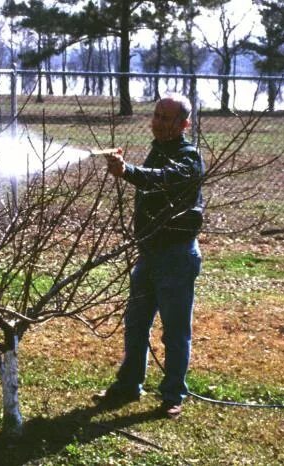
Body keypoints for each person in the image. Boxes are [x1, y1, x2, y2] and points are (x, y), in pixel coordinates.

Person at [95, 94, 204, 419]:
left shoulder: (188, 157)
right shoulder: (158, 149)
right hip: (149, 254)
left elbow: (163, 178)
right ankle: (129, 385)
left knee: (174, 331)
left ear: (185, 124)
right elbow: (150, 176)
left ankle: (172, 394)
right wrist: (129, 170)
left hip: (176, 257)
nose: (158, 122)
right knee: (136, 323)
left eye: (167, 118)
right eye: (156, 115)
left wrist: (128, 171)